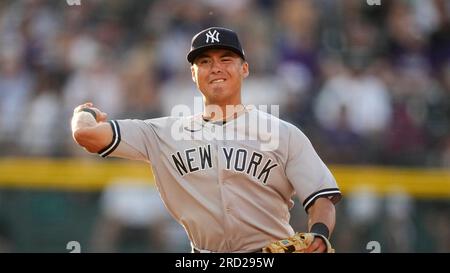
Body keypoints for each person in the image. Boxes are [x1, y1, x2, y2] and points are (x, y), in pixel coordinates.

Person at [71, 27, 342, 253]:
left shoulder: (283, 133)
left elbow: (321, 198)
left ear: (244, 69)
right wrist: (83, 113)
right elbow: (87, 135)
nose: (215, 68)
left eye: (226, 59)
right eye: (204, 61)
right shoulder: (162, 134)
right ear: (193, 74)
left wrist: (319, 233)